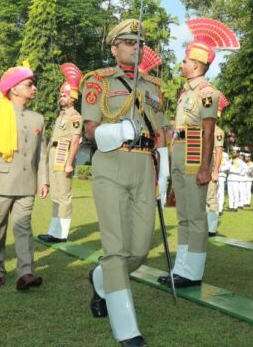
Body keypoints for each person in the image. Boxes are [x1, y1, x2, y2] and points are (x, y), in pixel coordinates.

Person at [82, 19, 166, 347]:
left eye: (139, 42)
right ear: (114, 47)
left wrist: (166, 167)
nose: (136, 46)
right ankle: (127, 330)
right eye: (129, 42)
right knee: (116, 249)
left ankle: (100, 278)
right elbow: (90, 128)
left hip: (144, 166)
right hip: (112, 164)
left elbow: (161, 131)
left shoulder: (154, 86)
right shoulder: (98, 81)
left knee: (140, 248)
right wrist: (117, 131)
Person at [159, 18, 239, 290]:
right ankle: (180, 267)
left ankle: (193, 271)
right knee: (183, 214)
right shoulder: (185, 93)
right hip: (181, 158)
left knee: (195, 215)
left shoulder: (207, 93)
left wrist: (206, 167)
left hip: (195, 159)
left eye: (184, 60)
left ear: (196, 64)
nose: (181, 64)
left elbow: (208, 132)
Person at [0, 64, 49, 291]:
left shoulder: (38, 118)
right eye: (29, 84)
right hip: (0, 182)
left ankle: (25, 272)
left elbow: (42, 154)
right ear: (14, 89)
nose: (34, 88)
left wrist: (43, 180)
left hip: (27, 183)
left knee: (24, 228)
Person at [38, 63, 83, 243]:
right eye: (61, 95)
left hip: (64, 156)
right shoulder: (62, 115)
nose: (61, 98)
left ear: (72, 97)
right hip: (55, 155)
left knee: (63, 195)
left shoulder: (75, 116)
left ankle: (61, 233)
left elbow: (74, 140)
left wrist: (70, 163)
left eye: (64, 95)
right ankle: (53, 231)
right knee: (56, 195)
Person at [206, 93, 229, 236]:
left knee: (211, 199)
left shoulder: (218, 131)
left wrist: (215, 171)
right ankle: (203, 226)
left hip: (211, 167)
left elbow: (219, 153)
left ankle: (212, 229)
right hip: (202, 166)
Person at [224, 146, 247, 212]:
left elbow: (246, 168)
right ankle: (231, 206)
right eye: (232, 152)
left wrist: (241, 173)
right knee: (230, 193)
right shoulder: (230, 160)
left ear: (237, 154)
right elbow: (226, 167)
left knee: (235, 193)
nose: (233, 153)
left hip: (236, 178)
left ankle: (235, 206)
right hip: (230, 177)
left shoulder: (240, 161)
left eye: (234, 152)